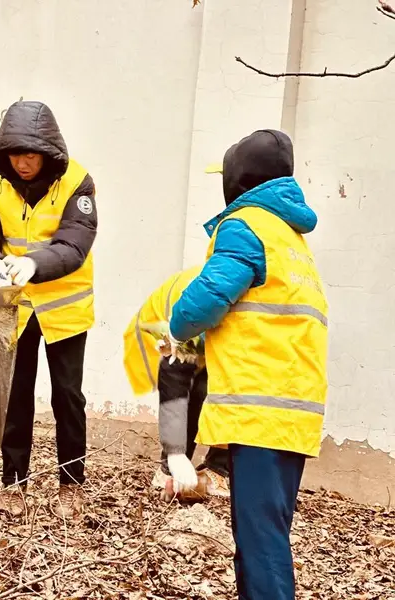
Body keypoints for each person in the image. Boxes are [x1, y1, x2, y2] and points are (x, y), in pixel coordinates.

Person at [167, 129, 329, 600]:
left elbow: (208, 298)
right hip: (294, 411)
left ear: (238, 180)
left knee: (260, 541)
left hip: (261, 412)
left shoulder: (245, 225)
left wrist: (178, 326)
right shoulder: (291, 236)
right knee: (265, 532)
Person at [0, 100, 97, 519]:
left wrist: (36, 263)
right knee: (15, 395)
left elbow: (75, 243)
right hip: (14, 306)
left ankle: (71, 485)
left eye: (32, 155)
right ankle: (13, 484)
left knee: (67, 397)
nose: (23, 163)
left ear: (48, 153)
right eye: (16, 154)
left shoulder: (77, 182)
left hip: (64, 309)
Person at [123, 266, 230, 502]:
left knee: (222, 384)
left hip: (188, 334)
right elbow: (176, 379)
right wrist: (175, 454)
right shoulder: (203, 305)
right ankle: (171, 469)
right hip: (158, 338)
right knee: (201, 390)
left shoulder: (230, 283)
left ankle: (216, 468)